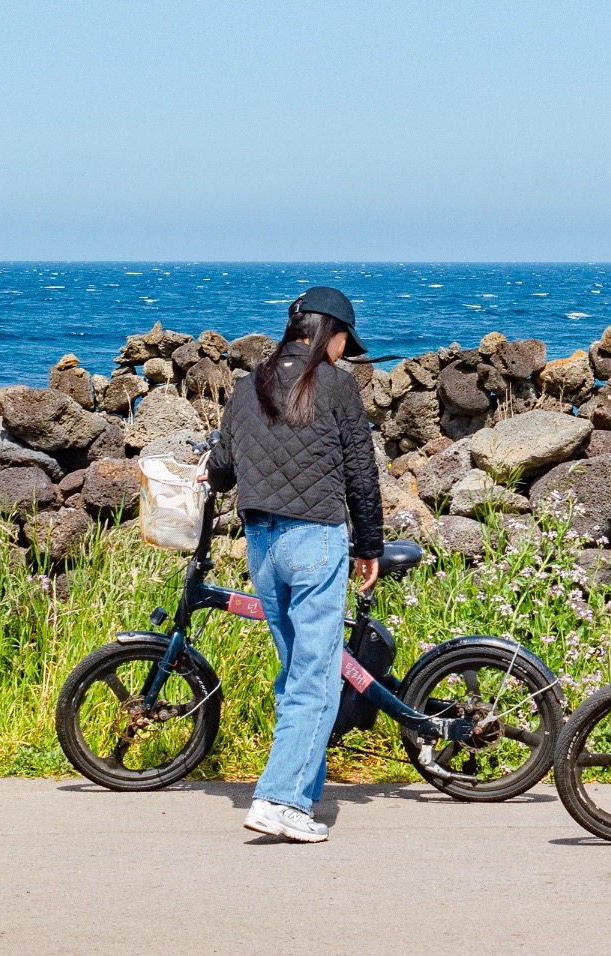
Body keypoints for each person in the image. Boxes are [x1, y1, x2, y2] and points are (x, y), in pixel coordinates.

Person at [207, 286, 383, 843]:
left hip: (261, 543)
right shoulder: (337, 386)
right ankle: (279, 799)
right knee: (315, 678)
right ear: (330, 333)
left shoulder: (247, 385)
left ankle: (300, 794)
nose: (343, 351)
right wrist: (370, 546)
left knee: (296, 675)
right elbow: (361, 472)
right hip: (315, 541)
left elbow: (222, 470)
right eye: (344, 340)